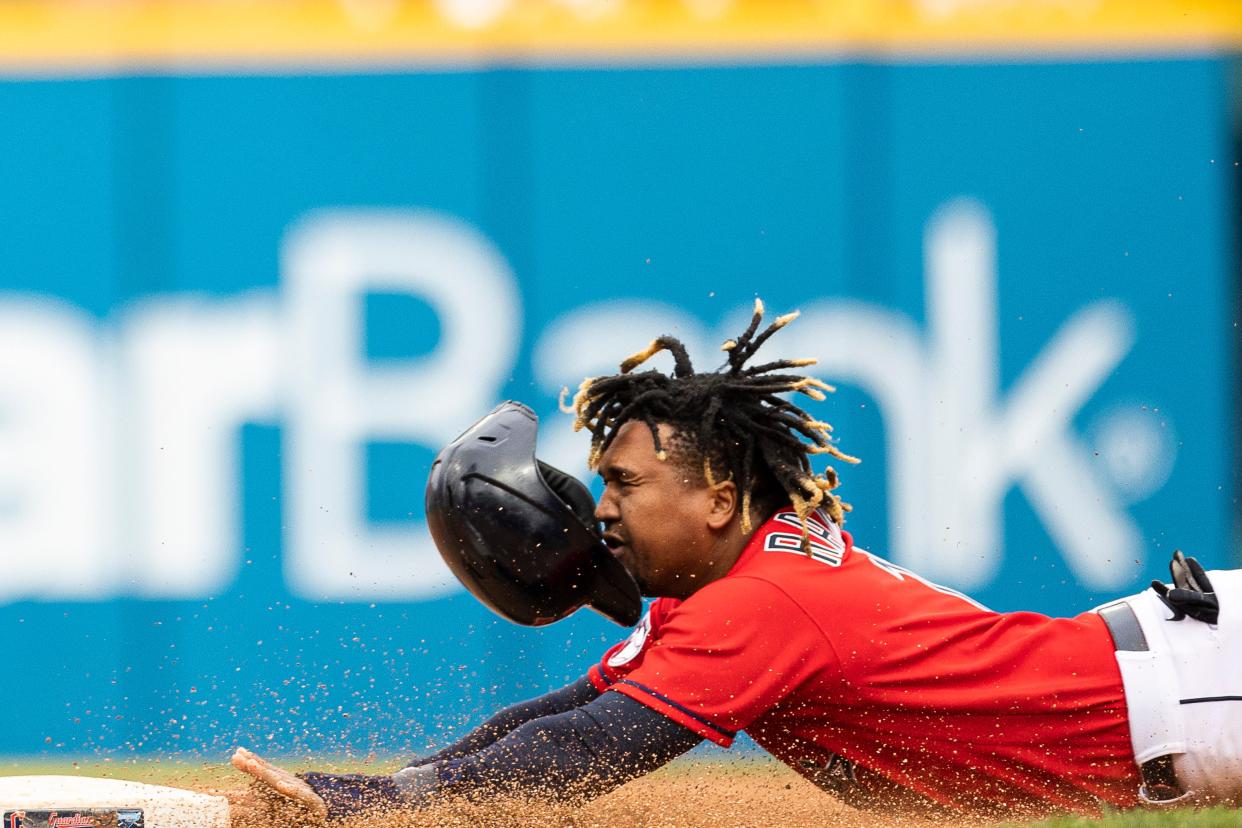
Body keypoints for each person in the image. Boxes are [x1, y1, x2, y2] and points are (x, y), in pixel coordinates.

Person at [233, 299, 1241, 820]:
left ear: (718, 497)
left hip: (1205, 691)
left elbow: (581, 759)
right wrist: (347, 791)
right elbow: (553, 719)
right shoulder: (721, 596)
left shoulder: (759, 606)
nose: (604, 511)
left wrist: (364, 810)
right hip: (1179, 681)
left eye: (625, 484)